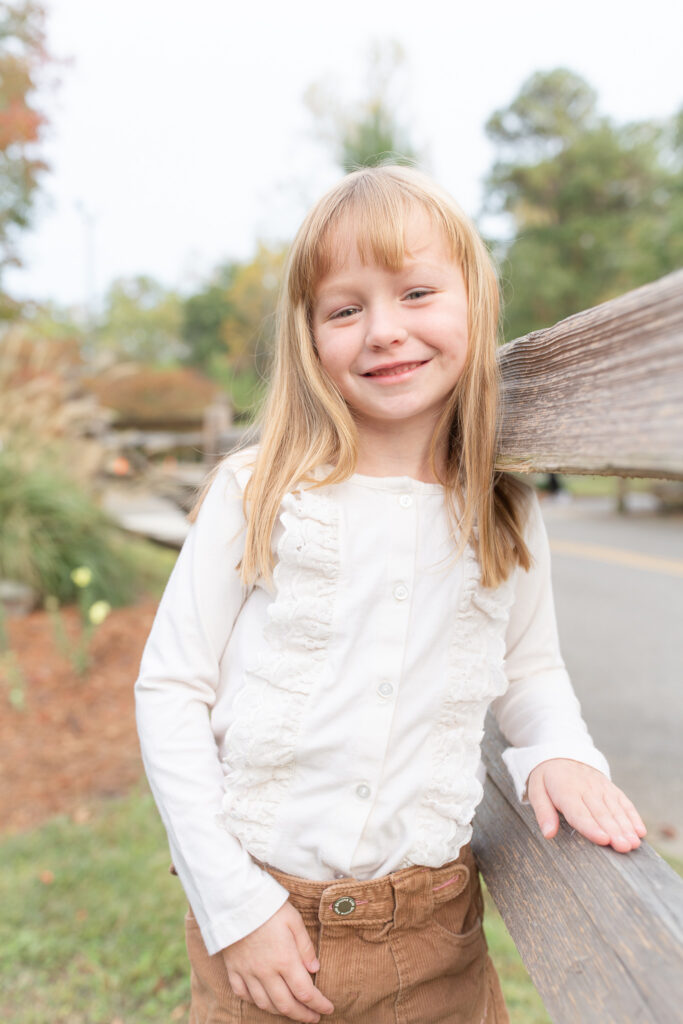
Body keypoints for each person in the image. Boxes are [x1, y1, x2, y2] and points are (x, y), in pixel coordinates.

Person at [135, 165, 647, 1024]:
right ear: (309, 336)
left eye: (415, 292)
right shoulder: (257, 491)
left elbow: (530, 670)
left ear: (473, 302)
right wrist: (236, 907)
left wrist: (560, 749)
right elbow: (169, 688)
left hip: (436, 937)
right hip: (267, 930)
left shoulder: (502, 509)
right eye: (345, 309)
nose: (383, 332)